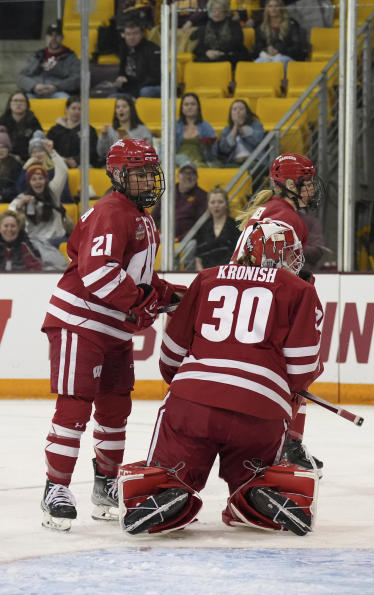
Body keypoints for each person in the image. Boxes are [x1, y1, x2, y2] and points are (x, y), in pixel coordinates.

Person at [118, 219, 323, 536]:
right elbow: (301, 368)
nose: (291, 261)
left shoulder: (206, 278)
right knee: (254, 469)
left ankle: (170, 489)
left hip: (193, 401)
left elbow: (172, 351)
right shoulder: (300, 290)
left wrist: (186, 388)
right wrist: (281, 390)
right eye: (287, 254)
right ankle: (258, 489)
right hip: (261, 408)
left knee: (172, 468)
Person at [39, 138, 185, 531]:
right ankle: (56, 488)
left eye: (149, 172)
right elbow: (99, 271)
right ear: (118, 175)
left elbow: (136, 275)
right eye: (137, 173)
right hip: (80, 323)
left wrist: (170, 295)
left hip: (113, 327)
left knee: (115, 411)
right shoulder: (111, 211)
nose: (146, 180)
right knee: (75, 408)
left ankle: (105, 484)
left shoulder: (140, 215)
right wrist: (142, 303)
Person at [233, 153, 323, 469]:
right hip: (265, 304)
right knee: (301, 368)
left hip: (247, 302)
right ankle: (288, 444)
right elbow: (275, 271)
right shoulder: (289, 218)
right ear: (287, 184)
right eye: (306, 182)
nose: (312, 188)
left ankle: (281, 441)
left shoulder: (271, 209)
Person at [10, 145, 72, 270]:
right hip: (35, 243)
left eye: (40, 178)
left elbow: (63, 171)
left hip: (57, 240)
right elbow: (9, 215)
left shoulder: (53, 192)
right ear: (29, 182)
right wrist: (19, 207)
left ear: (45, 180)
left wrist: (52, 152)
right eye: (34, 179)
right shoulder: (23, 198)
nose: (38, 182)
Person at [17, 22, 80, 100]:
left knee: (65, 100)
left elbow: (77, 79)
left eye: (57, 35)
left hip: (58, 92)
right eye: (50, 35)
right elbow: (21, 76)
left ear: (62, 38)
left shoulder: (71, 57)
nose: (53, 38)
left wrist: (55, 87)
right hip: (35, 92)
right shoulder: (37, 55)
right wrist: (34, 86)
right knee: (19, 100)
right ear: (46, 38)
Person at [151, 160, 208, 242]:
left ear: (197, 177)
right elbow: (154, 216)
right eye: (185, 173)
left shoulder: (202, 196)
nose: (188, 177)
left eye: (192, 173)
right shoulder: (168, 192)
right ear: (178, 176)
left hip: (188, 240)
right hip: (164, 236)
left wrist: (179, 239)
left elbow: (200, 226)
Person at [46, 95, 99, 168]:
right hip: (57, 163)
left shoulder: (89, 130)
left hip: (81, 165)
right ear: (67, 110)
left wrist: (76, 160)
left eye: (80, 109)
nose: (77, 112)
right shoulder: (55, 130)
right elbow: (48, 149)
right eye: (73, 108)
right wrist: (61, 160)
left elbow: (92, 151)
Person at [193, 186, 240, 268]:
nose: (216, 205)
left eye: (220, 202)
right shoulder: (203, 228)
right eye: (212, 202)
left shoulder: (236, 226)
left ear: (226, 204)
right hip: (208, 275)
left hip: (229, 273)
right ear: (208, 205)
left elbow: (240, 255)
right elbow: (198, 258)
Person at [96, 95, 153, 162]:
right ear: (115, 112)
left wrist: (132, 145)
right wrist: (104, 135)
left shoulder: (143, 130)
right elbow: (101, 154)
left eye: (124, 106)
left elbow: (149, 155)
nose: (121, 109)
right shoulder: (110, 130)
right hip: (114, 168)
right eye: (118, 107)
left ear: (131, 109)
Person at [253, 0, 307, 68]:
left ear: (281, 8)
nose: (273, 9)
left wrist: (279, 50)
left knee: (278, 61)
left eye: (276, 6)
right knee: (258, 62)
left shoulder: (292, 24)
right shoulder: (261, 25)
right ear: (267, 9)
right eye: (270, 6)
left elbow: (297, 46)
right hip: (268, 56)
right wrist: (266, 49)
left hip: (287, 56)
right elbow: (258, 45)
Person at [113, 22, 162, 98]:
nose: (131, 37)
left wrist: (133, 91)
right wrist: (120, 77)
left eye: (135, 34)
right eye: (128, 34)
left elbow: (155, 78)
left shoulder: (153, 49)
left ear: (142, 34)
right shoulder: (124, 49)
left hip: (152, 87)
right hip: (132, 89)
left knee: (145, 92)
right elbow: (122, 71)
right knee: (112, 98)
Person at [192, 0, 249, 65]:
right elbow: (198, 48)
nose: (216, 13)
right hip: (210, 57)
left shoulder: (234, 25)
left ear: (226, 12)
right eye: (213, 10)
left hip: (230, 56)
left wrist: (219, 52)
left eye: (220, 10)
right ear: (209, 12)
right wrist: (207, 52)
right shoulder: (203, 27)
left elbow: (237, 42)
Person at [214, 99, 264, 166]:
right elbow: (224, 149)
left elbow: (257, 140)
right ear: (231, 114)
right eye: (234, 109)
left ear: (247, 113)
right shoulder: (227, 130)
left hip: (252, 160)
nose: (237, 111)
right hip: (234, 163)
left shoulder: (256, 124)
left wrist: (243, 129)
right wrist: (235, 128)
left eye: (241, 109)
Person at [0, 91, 44, 162]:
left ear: (27, 104)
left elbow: (39, 141)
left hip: (30, 158)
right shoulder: (3, 120)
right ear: (10, 103)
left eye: (22, 101)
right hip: (7, 159)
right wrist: (11, 157)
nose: (18, 103)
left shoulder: (33, 120)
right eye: (15, 100)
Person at [175, 93, 217, 166]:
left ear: (198, 107)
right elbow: (165, 149)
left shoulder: (206, 127)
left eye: (193, 104)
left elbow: (214, 152)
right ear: (182, 108)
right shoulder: (174, 126)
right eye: (186, 104)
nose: (189, 107)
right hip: (177, 164)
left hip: (199, 164)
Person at [0, 128, 22, 202]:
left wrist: (3, 195)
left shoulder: (16, 165)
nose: (1, 150)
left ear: (8, 149)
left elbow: (18, 187)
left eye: (3, 147)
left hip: (9, 201)